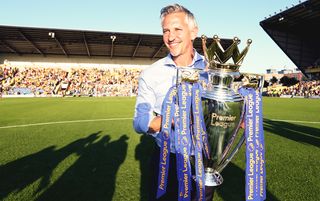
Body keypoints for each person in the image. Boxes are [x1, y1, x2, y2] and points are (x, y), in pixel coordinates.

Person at [133, 4, 215, 201]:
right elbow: (139, 122)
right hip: (166, 161)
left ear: (193, 32)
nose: (170, 37)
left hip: (204, 161)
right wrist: (171, 116)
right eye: (166, 31)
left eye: (177, 29)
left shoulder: (212, 70)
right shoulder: (151, 73)